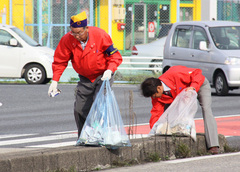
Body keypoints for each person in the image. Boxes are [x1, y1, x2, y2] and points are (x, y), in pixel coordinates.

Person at [48, 11, 122, 140]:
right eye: (73, 32)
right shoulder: (67, 40)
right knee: (80, 109)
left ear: (86, 28)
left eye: (79, 32)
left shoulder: (100, 35)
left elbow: (114, 56)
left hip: (103, 76)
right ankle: (84, 137)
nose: (76, 36)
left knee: (100, 106)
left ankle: (100, 135)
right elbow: (60, 61)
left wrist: (110, 70)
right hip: (85, 78)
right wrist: (54, 81)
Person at [140, 65, 219, 154]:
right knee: (171, 116)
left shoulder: (175, 73)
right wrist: (155, 130)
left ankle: (213, 145)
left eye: (153, 95)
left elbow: (197, 73)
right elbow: (156, 113)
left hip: (199, 84)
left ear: (159, 88)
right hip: (182, 95)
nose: (153, 98)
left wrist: (193, 87)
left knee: (206, 109)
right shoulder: (156, 95)